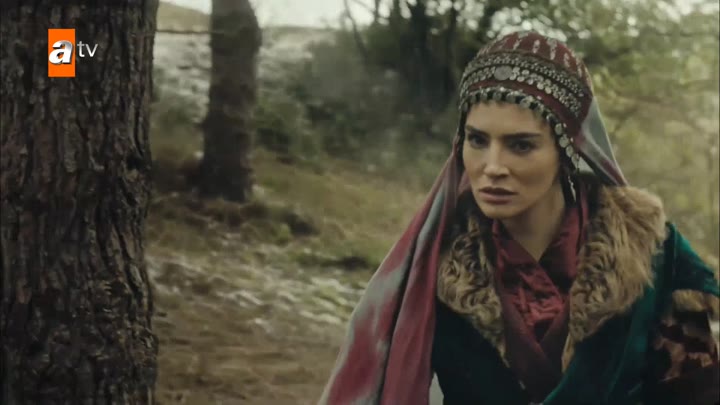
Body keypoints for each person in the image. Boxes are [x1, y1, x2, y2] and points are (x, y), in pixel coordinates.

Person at [318, 31, 719, 405]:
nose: (492, 167)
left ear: (567, 151)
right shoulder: (434, 267)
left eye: (521, 145)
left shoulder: (653, 258)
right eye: (477, 140)